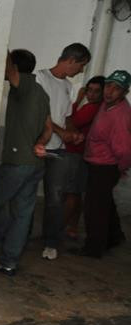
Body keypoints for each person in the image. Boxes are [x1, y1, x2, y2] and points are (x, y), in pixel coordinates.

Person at [0, 50, 52, 276]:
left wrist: (2, 44)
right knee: (22, 214)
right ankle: (9, 261)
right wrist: (40, 143)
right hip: (34, 163)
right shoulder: (42, 92)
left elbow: (10, 70)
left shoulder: (24, 86)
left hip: (17, 162)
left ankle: (5, 242)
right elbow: (48, 128)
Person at [34, 42, 91, 261]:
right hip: (38, 147)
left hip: (58, 150)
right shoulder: (40, 78)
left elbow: (66, 116)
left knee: (55, 198)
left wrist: (73, 132)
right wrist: (61, 132)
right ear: (70, 61)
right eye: (81, 65)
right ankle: (18, 237)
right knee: (27, 195)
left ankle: (50, 241)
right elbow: (41, 115)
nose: (81, 71)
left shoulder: (68, 86)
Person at [80, 69, 131, 258]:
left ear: (124, 92)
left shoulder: (121, 116)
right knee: (105, 203)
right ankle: (114, 236)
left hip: (105, 167)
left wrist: (121, 168)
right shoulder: (106, 104)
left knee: (95, 209)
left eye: (116, 88)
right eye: (108, 86)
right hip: (98, 163)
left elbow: (125, 150)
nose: (110, 91)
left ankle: (93, 248)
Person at [63, 75, 104, 239]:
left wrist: (78, 99)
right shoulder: (99, 107)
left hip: (76, 153)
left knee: (71, 193)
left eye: (96, 91)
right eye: (89, 90)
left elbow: (69, 120)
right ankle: (72, 227)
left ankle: (59, 227)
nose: (91, 94)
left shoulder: (91, 108)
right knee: (77, 193)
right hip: (83, 154)